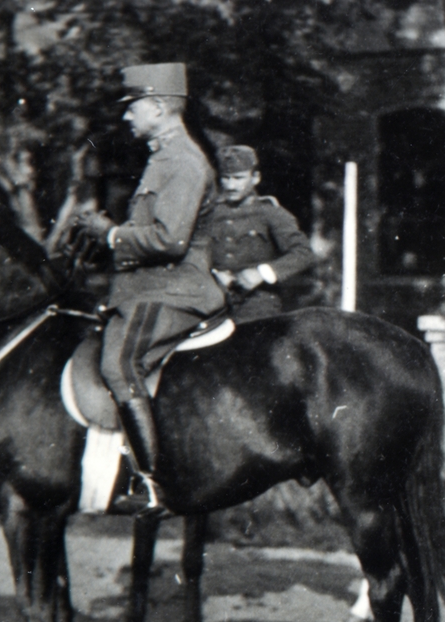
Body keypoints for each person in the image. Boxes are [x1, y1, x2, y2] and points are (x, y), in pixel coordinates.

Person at [75, 63, 226, 513]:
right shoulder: (162, 157)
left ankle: (152, 485)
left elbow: (170, 239)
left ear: (159, 107)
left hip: (174, 290)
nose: (127, 117)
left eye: (133, 107)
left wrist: (112, 235)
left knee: (119, 364)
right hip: (150, 287)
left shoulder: (182, 161)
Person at [206, 145, 314, 321]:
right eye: (226, 178)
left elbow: (303, 253)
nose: (231, 185)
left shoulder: (270, 213)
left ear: (255, 177)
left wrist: (261, 273)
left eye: (239, 178)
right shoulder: (209, 214)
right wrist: (213, 274)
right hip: (214, 299)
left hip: (257, 301)